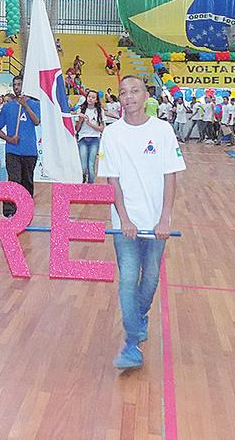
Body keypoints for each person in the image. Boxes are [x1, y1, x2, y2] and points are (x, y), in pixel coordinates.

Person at [97, 75, 184, 370]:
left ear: (147, 96)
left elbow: (169, 175)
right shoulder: (112, 134)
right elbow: (113, 179)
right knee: (127, 280)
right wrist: (124, 218)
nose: (129, 96)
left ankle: (139, 317)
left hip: (155, 224)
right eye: (123, 92)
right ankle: (132, 342)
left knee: (150, 280)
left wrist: (163, 218)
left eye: (135, 91)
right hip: (127, 224)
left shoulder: (162, 130)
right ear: (119, 98)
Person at [0, 76, 40, 218]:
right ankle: (9, 212)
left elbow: (36, 121)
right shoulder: (8, 107)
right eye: (15, 85)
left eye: (19, 84)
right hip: (12, 151)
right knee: (13, 180)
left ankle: (25, 211)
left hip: (29, 151)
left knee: (27, 181)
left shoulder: (34, 104)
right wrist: (8, 139)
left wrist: (25, 106)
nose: (16, 87)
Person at [75, 89, 104, 184]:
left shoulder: (99, 111)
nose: (90, 99)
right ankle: (82, 182)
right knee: (83, 165)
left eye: (93, 97)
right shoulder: (81, 110)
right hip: (83, 139)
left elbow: (102, 128)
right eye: (89, 97)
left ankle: (91, 187)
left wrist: (90, 124)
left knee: (91, 164)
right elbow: (77, 128)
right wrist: (80, 120)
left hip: (95, 139)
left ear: (96, 100)